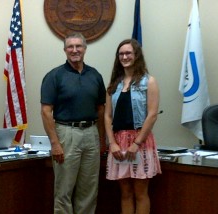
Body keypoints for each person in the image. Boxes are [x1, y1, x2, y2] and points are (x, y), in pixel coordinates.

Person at [40, 32, 106, 214]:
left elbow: (101, 109)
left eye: (79, 46)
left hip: (91, 133)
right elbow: (46, 111)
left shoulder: (95, 75)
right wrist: (55, 144)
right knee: (64, 191)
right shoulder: (54, 76)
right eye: (70, 47)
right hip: (66, 134)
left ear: (85, 49)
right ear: (64, 50)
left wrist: (102, 139)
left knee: (89, 190)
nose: (75, 50)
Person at [105, 39, 162, 214]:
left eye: (128, 53)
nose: (124, 57)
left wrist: (136, 143)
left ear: (136, 55)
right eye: (121, 54)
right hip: (118, 142)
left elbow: (152, 115)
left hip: (140, 141)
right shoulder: (115, 85)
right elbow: (107, 116)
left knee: (140, 193)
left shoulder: (149, 81)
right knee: (126, 193)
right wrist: (112, 143)